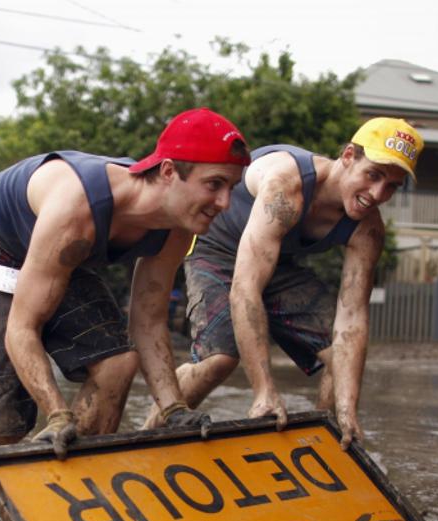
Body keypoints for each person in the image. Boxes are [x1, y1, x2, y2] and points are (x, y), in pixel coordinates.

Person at [0, 108, 251, 521]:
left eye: (231, 187)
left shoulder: (177, 223)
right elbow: (22, 327)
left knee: (117, 363)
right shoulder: (78, 204)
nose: (225, 203)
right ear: (169, 172)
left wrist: (173, 411)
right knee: (3, 424)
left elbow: (148, 318)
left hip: (56, 255)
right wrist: (57, 414)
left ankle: (73, 501)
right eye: (214, 185)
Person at [141, 117, 423, 449]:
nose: (377, 194)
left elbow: (352, 320)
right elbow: (245, 288)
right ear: (348, 157)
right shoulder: (287, 185)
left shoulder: (368, 230)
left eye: (391, 186)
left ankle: (326, 444)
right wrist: (264, 391)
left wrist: (348, 414)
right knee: (220, 360)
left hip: (274, 262)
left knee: (338, 355)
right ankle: (146, 438)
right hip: (218, 251)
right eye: (373, 176)